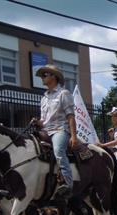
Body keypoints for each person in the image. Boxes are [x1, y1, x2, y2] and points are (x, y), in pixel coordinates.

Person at [32, 64, 78, 197]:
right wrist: (37, 122)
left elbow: (71, 116)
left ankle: (68, 184)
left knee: (58, 150)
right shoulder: (44, 97)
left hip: (60, 130)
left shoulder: (64, 93)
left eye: (44, 75)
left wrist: (73, 136)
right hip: (46, 130)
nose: (42, 78)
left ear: (53, 76)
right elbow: (44, 121)